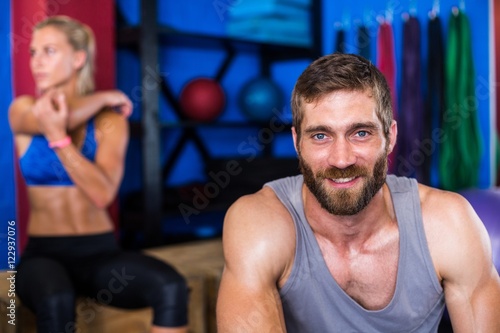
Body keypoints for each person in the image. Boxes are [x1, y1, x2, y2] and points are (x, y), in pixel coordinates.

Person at [216, 53, 500, 332]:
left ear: (390, 138)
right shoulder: (259, 223)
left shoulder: (448, 222)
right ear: (296, 141)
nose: (341, 160)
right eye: (320, 136)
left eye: (361, 133)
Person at [9, 16, 188, 333]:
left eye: (48, 51)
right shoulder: (22, 109)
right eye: (33, 52)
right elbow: (54, 119)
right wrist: (105, 96)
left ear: (78, 59)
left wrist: (61, 143)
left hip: (100, 253)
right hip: (43, 255)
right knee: (56, 299)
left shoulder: (109, 122)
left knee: (170, 286)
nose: (36, 61)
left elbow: (102, 194)